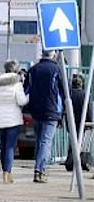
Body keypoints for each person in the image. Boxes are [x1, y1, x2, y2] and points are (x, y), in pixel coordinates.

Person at [0, 60, 29, 183]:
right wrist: (28, 95)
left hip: (0, 120)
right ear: (16, 70)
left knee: (3, 146)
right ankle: (7, 172)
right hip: (13, 119)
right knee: (10, 147)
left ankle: (5, 171)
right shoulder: (17, 84)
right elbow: (21, 101)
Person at [26, 49, 63, 183]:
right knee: (45, 141)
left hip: (35, 111)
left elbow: (26, 90)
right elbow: (64, 92)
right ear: (54, 54)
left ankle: (40, 168)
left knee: (39, 141)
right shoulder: (57, 70)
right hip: (51, 111)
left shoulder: (33, 70)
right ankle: (40, 170)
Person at [67, 73, 92, 173]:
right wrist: (90, 121)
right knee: (81, 143)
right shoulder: (85, 95)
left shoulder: (69, 95)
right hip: (83, 121)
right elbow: (89, 109)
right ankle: (79, 161)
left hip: (71, 120)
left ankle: (70, 161)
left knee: (72, 141)